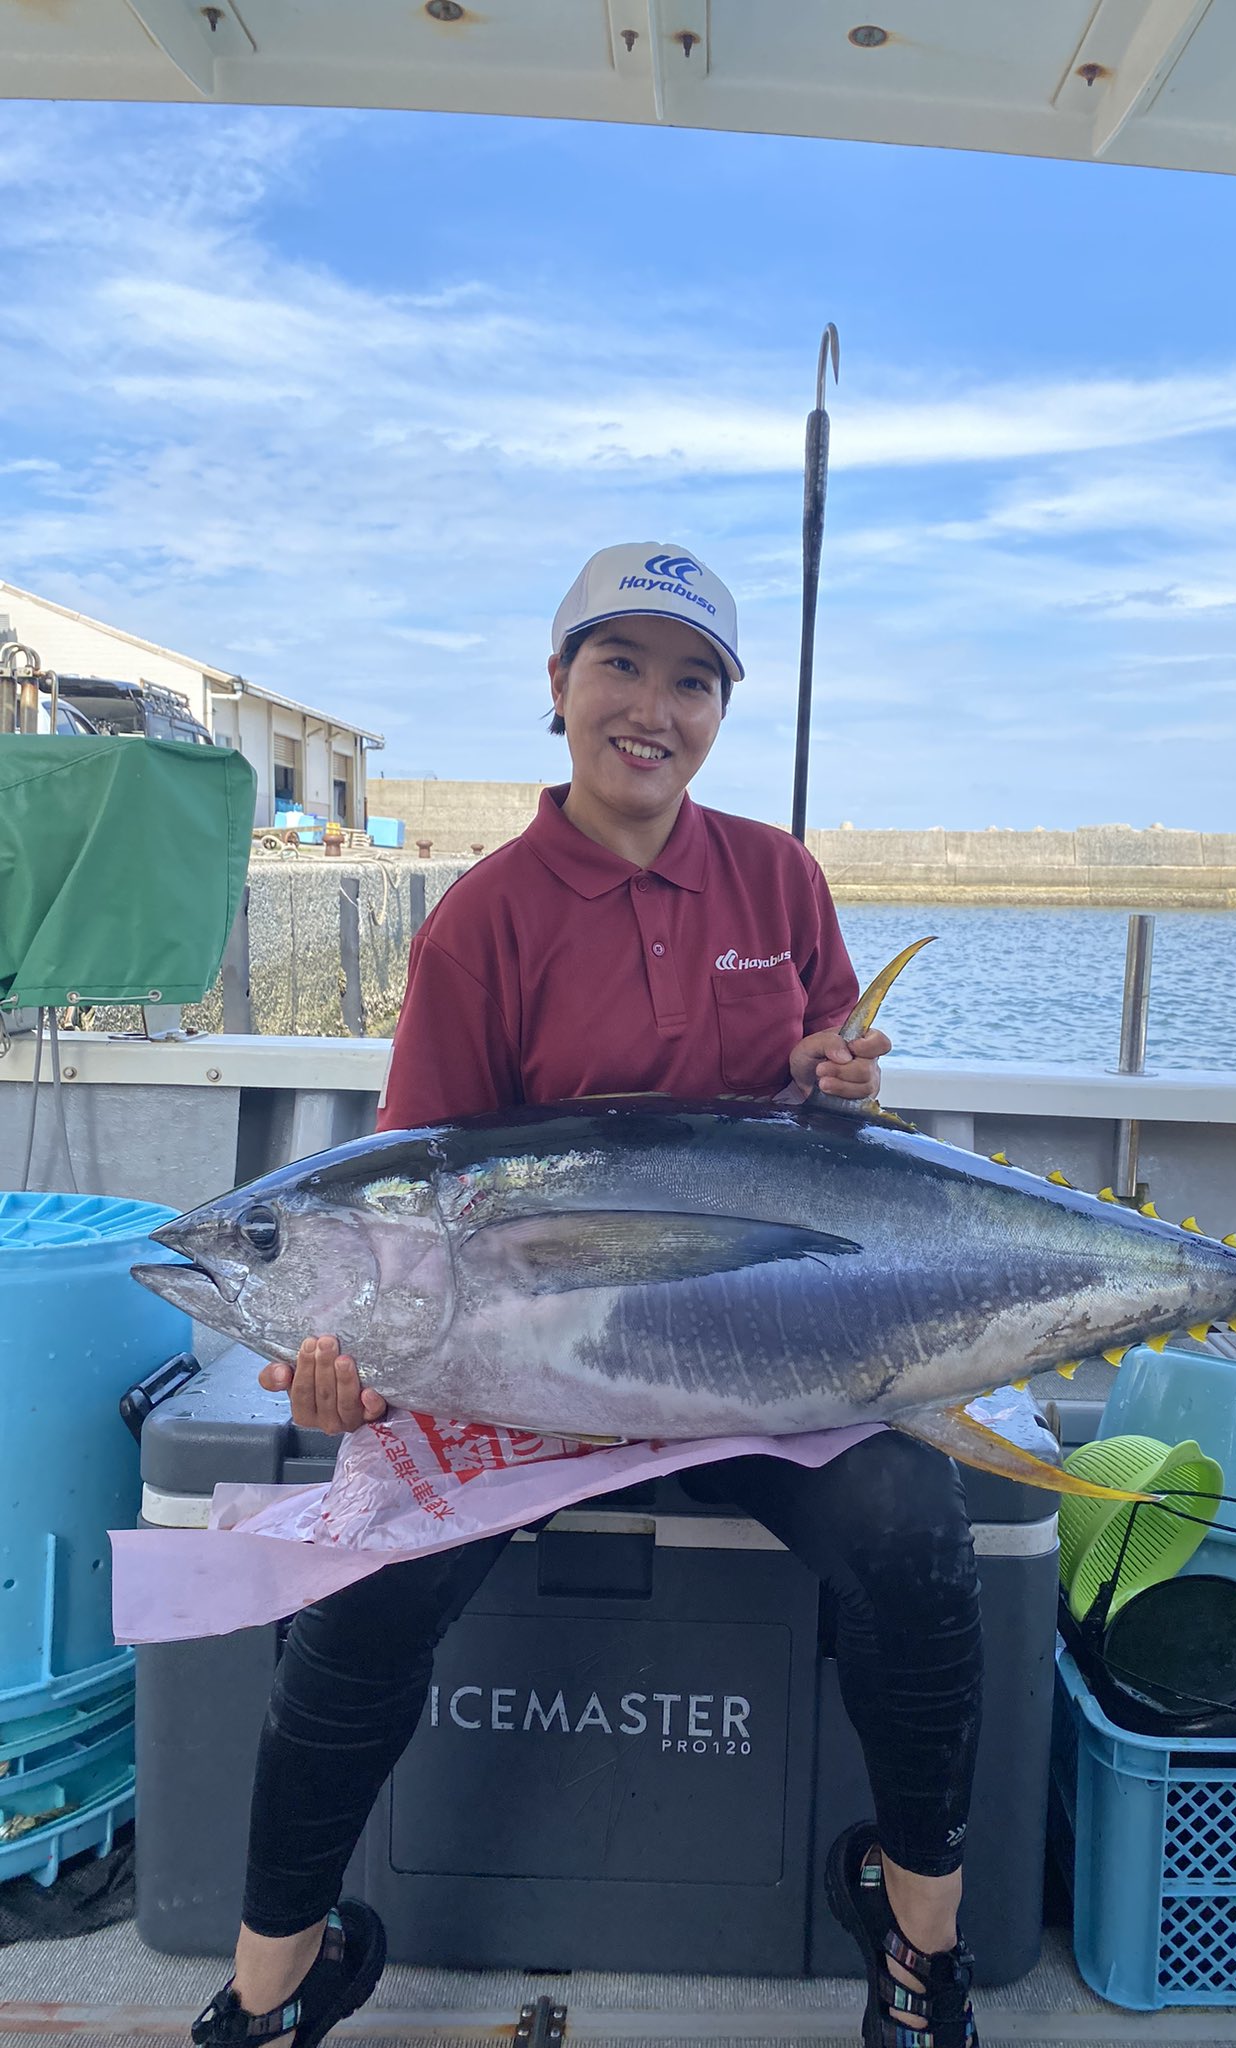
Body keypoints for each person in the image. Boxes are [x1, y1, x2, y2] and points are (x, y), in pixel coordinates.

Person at [191, 544, 983, 2048]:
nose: (654, 708)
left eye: (694, 680)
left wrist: (832, 1074)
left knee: (915, 1542)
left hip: (752, 1371)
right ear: (556, 688)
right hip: (516, 1381)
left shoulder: (780, 877)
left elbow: (831, 1128)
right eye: (620, 665)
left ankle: (919, 1950)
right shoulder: (483, 921)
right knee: (356, 1602)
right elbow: (409, 1195)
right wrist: (340, 1358)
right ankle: (266, 1992)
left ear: (720, 712)